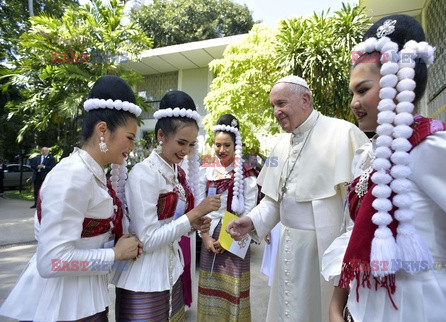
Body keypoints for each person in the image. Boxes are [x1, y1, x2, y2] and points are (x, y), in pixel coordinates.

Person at [322, 14, 446, 322]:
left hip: (419, 304)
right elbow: (357, 236)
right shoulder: (370, 153)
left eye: (362, 90)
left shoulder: (435, 146)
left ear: (398, 82)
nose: (354, 102)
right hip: (365, 303)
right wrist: (336, 304)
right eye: (352, 92)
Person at [0, 74, 144, 321]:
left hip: (88, 298)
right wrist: (114, 254)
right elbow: (52, 262)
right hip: (63, 305)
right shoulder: (72, 175)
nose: (131, 146)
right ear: (102, 130)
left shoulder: (94, 173)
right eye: (129, 137)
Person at [226, 75, 369, 321]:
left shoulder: (343, 133)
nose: (275, 112)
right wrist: (250, 221)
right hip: (288, 247)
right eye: (272, 106)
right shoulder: (279, 146)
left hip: (323, 251)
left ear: (305, 99)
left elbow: (357, 211)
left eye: (281, 103)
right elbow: (273, 202)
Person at [112, 90, 220, 321]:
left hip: (172, 272)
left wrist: (195, 224)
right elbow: (148, 239)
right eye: (181, 142)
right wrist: (193, 215)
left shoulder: (175, 172)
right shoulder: (144, 173)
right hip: (144, 278)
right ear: (161, 135)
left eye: (191, 144)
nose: (186, 151)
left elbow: (173, 223)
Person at [196, 114, 260, 321]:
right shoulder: (205, 169)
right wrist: (205, 237)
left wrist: (227, 239)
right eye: (217, 145)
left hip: (236, 237)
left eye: (226, 145)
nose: (221, 150)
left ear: (236, 146)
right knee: (209, 288)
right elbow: (198, 207)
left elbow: (250, 211)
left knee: (233, 290)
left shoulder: (247, 174)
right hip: (208, 236)